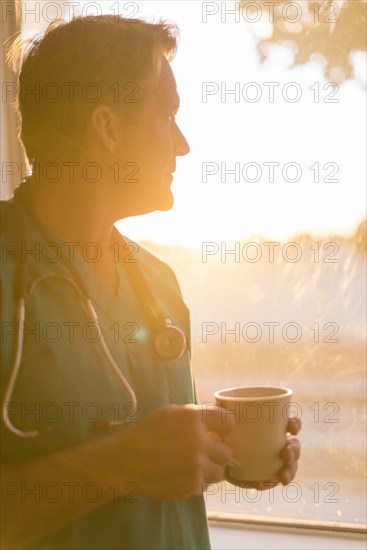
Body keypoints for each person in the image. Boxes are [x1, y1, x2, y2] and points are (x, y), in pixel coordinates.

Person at [0, 15, 301, 550]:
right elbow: (128, 457)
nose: (182, 145)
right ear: (108, 128)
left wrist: (228, 453)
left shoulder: (158, 284)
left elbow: (151, 451)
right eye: (168, 115)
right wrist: (119, 464)